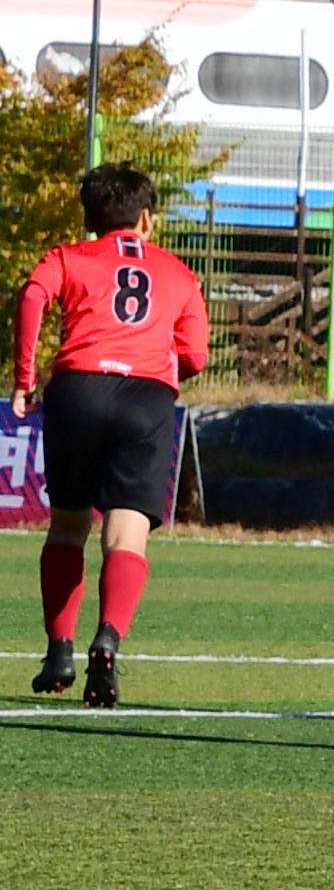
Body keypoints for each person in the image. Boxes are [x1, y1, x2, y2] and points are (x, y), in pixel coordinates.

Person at [16, 163, 208, 710]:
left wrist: (24, 381)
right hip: (145, 396)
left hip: (77, 388)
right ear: (145, 218)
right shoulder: (178, 272)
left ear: (90, 219)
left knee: (69, 525)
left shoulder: (67, 257)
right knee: (127, 532)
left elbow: (33, 297)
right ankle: (109, 638)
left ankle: (59, 649)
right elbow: (195, 354)